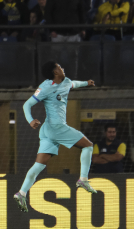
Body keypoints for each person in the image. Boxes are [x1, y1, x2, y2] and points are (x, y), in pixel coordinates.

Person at [13, 61, 96, 213]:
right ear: (55, 72)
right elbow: (26, 105)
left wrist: (86, 83)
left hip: (47, 131)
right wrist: (30, 120)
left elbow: (74, 84)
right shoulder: (45, 87)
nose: (62, 68)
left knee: (39, 165)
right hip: (56, 128)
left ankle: (22, 193)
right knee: (88, 145)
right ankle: (83, 179)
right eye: (59, 67)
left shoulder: (66, 81)